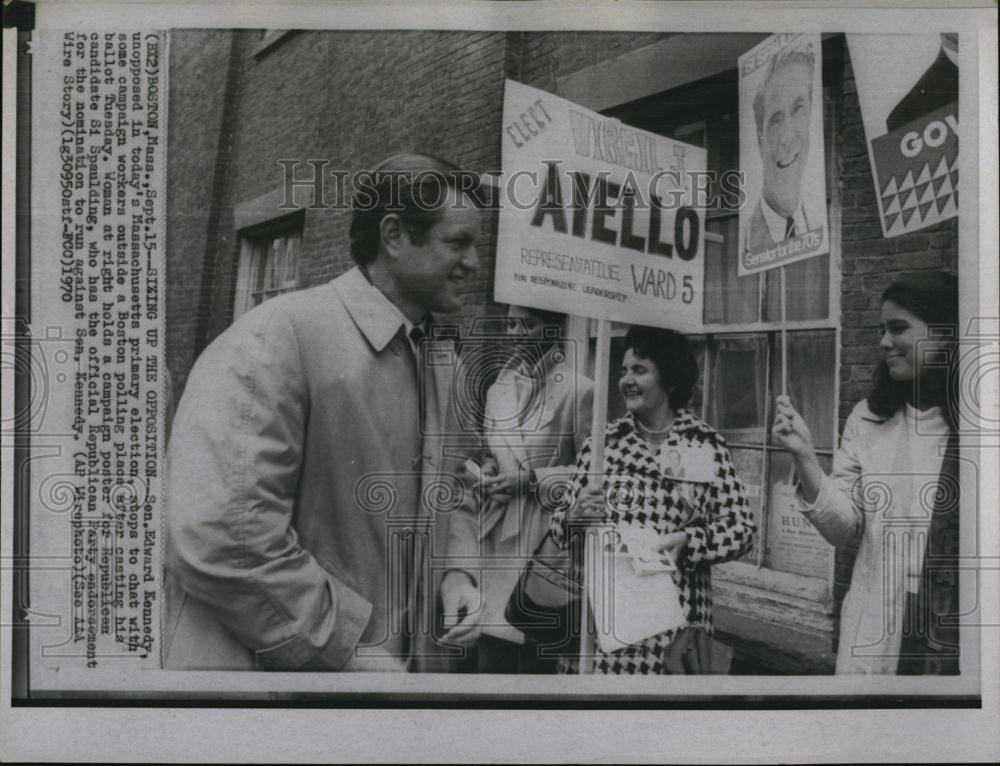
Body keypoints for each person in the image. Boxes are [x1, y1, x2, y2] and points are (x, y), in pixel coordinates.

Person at [163, 153, 486, 672]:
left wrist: (457, 573)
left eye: (476, 244)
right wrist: (347, 651)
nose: (473, 263)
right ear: (395, 236)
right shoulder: (277, 336)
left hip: (386, 696)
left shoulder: (440, 359)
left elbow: (456, 486)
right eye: (458, 243)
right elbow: (222, 534)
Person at [772, 270, 960, 675]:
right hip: (877, 625)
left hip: (956, 629)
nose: (884, 342)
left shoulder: (980, 427)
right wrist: (804, 457)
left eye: (898, 329)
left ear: (945, 335)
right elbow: (845, 530)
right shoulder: (869, 418)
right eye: (881, 330)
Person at [551, 326, 755, 674]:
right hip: (612, 637)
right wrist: (575, 515)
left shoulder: (705, 443)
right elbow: (558, 527)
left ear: (670, 379)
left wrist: (691, 541)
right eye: (623, 370)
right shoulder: (603, 445)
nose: (626, 380)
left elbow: (741, 528)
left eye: (639, 370)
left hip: (681, 636)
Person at [471, 305, 593, 673]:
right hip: (497, 535)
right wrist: (488, 471)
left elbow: (593, 476)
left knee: (533, 661)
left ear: (554, 330)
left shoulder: (580, 390)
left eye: (529, 324)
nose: (516, 333)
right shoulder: (498, 389)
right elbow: (492, 451)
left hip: (543, 542)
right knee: (492, 658)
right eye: (510, 324)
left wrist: (531, 481)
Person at [744, 44, 816, 254]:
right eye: (775, 120)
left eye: (799, 109)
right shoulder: (747, 242)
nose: (788, 137)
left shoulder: (813, 225)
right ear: (760, 141)